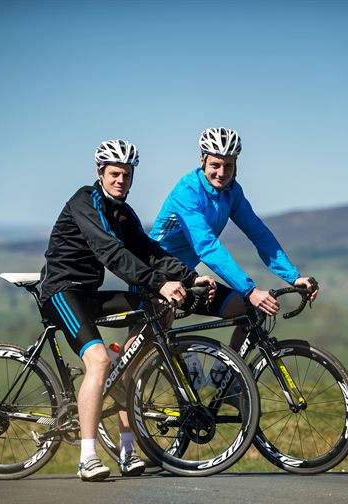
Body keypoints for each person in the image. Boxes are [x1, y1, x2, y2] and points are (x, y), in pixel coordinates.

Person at [40, 139, 215, 481]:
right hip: (61, 292)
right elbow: (111, 252)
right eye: (115, 174)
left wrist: (188, 276)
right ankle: (87, 458)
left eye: (127, 174)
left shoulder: (123, 212)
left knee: (153, 311)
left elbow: (148, 250)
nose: (121, 180)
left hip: (89, 294)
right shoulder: (85, 201)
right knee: (99, 360)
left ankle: (127, 447)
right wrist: (159, 282)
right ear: (100, 173)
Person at [149, 127, 318, 349]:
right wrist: (250, 290)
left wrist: (293, 277)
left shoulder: (232, 191)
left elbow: (259, 233)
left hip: (186, 276)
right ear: (202, 160)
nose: (222, 172)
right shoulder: (187, 192)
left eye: (228, 166)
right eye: (215, 165)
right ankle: (121, 372)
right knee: (154, 337)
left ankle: (228, 371)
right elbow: (206, 246)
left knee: (249, 310)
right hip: (154, 273)